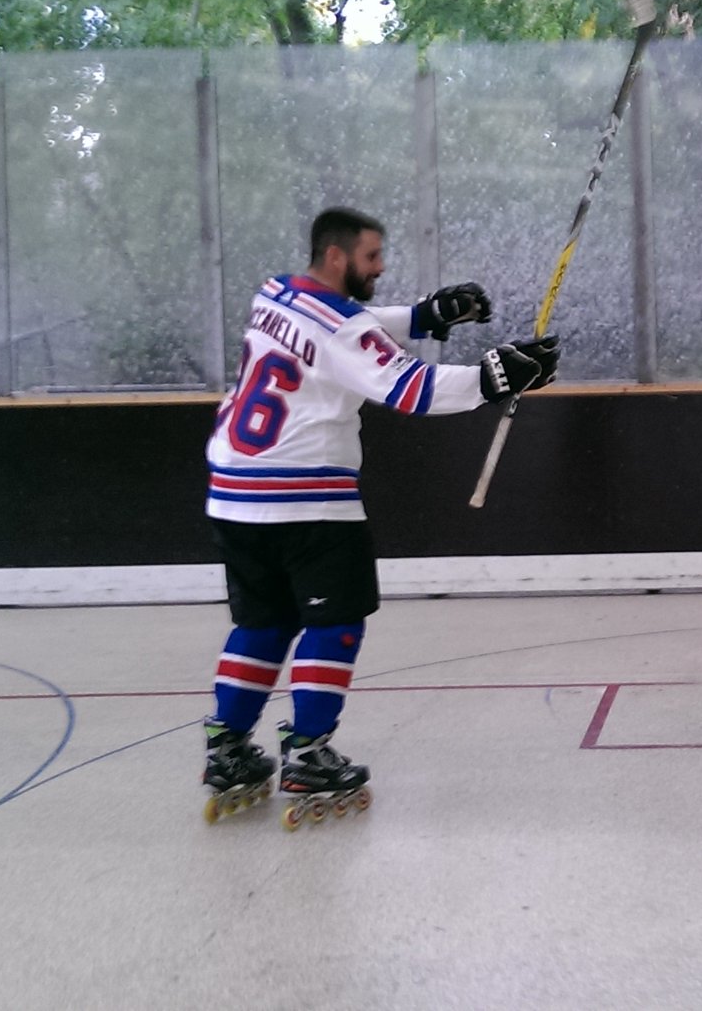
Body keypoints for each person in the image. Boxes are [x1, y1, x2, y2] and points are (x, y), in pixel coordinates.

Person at [200, 206, 561, 828]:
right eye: (371, 257)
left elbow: (346, 327)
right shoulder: (342, 328)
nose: (381, 266)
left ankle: (226, 748)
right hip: (306, 499)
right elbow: (409, 388)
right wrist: (494, 378)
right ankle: (308, 753)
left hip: (233, 493)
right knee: (335, 623)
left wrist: (424, 317)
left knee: (263, 622)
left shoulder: (275, 293)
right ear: (336, 256)